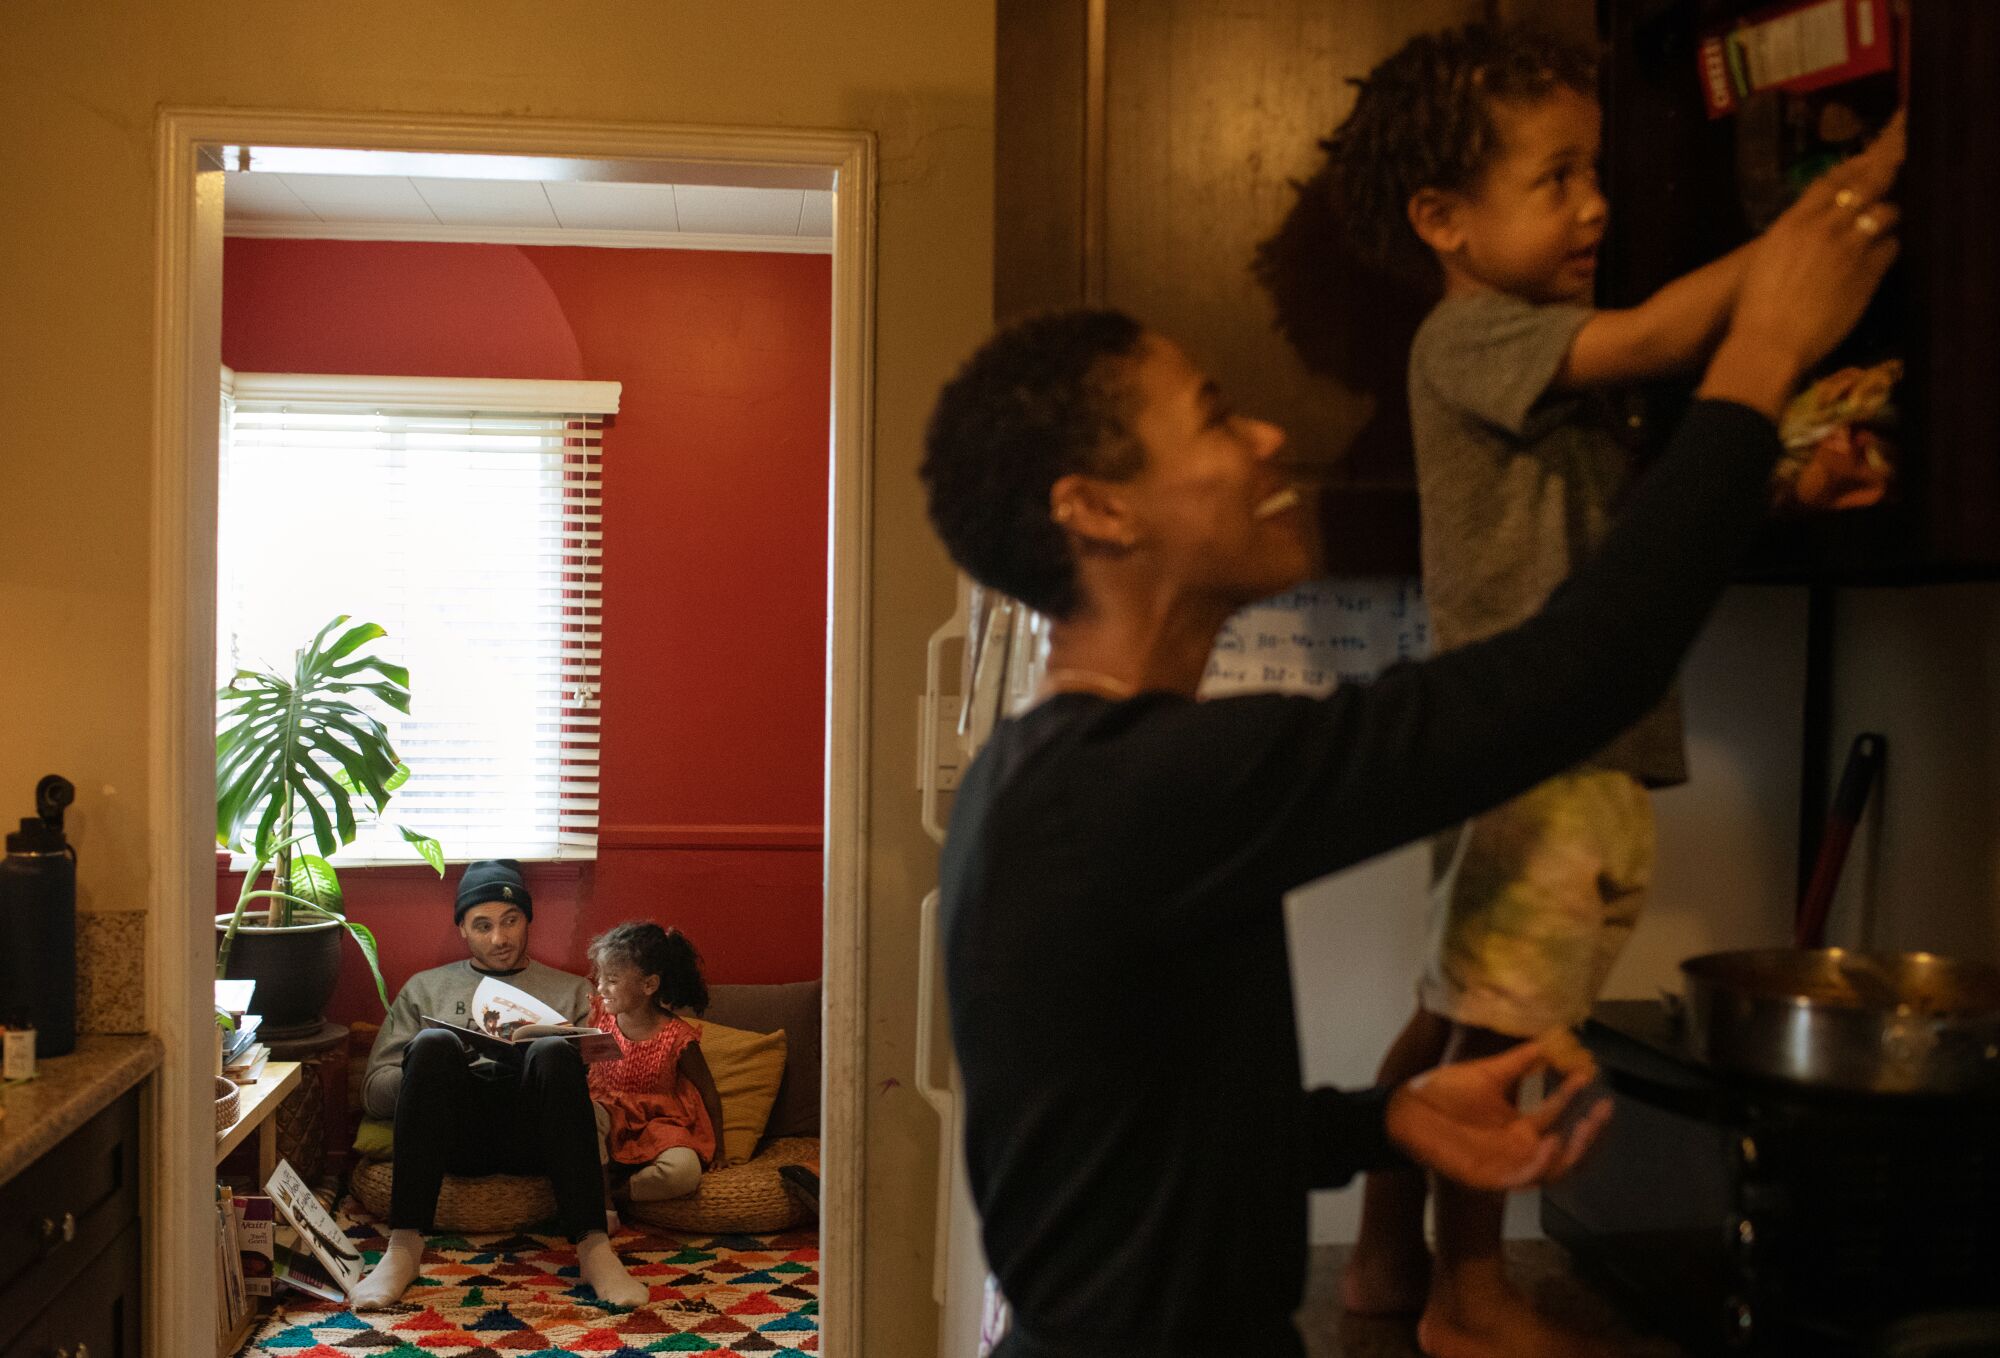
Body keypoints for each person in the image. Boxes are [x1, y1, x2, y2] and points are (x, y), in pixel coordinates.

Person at [917, 111, 1900, 1358]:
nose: (1268, 436)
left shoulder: (1059, 779)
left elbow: (1147, 1142)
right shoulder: (1136, 786)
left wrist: (1389, 1121)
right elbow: (1575, 673)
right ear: (1097, 508)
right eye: (1216, 416)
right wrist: (1760, 356)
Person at [1272, 29, 1901, 1354]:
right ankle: (1470, 1296)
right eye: (1558, 177)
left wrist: (1787, 490)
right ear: (1443, 218)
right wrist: (1851, 197)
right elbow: (1677, 331)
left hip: (1516, 752)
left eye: (1596, 172)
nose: (1599, 205)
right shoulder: (1476, 342)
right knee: (1511, 1030)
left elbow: (1633, 548)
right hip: (1545, 755)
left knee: (1455, 1008)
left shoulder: (1544, 373)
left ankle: (1392, 1258)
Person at [351, 859, 647, 1309]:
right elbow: (373, 1092)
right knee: (433, 1043)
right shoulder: (424, 988)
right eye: (483, 925)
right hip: (453, 1137)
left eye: (511, 921)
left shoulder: (571, 991)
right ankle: (404, 1248)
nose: (500, 938)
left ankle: (593, 1248)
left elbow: (603, 1089)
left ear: (528, 919)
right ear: (462, 931)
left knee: (549, 1050)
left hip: (537, 1139)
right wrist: (442, 1066)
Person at [584, 921, 725, 1203]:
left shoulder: (678, 1038)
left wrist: (720, 1149)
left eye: (612, 980)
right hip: (608, 1117)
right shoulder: (600, 1016)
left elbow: (708, 1091)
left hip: (659, 1125)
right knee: (585, 1114)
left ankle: (615, 1194)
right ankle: (600, 1192)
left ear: (649, 985)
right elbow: (587, 1063)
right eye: (600, 978)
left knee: (684, 1173)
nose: (601, 987)